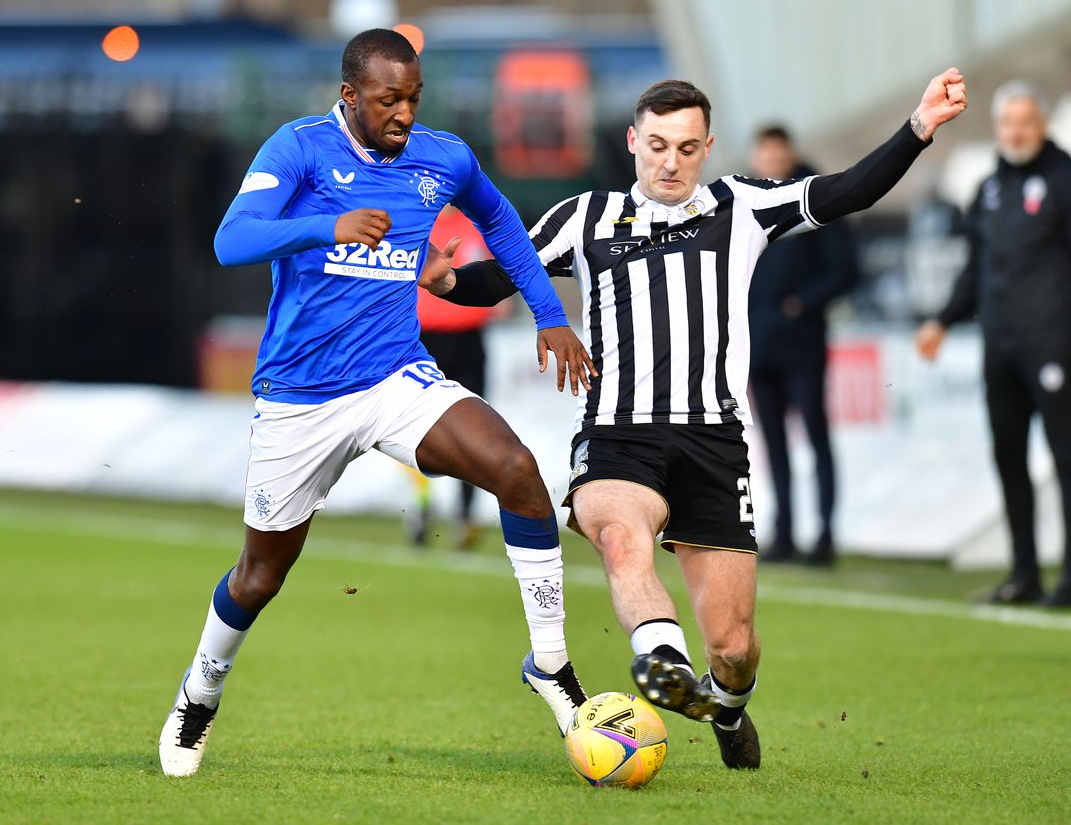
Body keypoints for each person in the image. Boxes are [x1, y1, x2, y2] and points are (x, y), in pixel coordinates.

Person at [422, 69, 968, 769]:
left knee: (735, 648)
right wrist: (446, 280)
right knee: (622, 538)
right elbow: (499, 276)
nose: (670, 161)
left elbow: (845, 191)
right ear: (632, 142)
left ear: (707, 147)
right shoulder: (582, 217)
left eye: (685, 147)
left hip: (714, 441)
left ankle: (725, 704)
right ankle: (662, 657)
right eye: (656, 145)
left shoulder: (740, 205)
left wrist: (917, 128)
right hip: (618, 433)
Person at [158, 29, 597, 778]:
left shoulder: (444, 157)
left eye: (413, 98)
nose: (403, 113)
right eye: (388, 99)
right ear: (349, 95)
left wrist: (549, 313)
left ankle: (551, 664)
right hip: (299, 397)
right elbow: (232, 240)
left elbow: (499, 222)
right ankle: (201, 690)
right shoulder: (297, 148)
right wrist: (326, 225)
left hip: (396, 376)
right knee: (259, 576)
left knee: (519, 470)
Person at [916, 80, 1071, 609]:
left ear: (1042, 124)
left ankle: (1069, 576)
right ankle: (1024, 573)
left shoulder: (1064, 178)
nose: (1017, 132)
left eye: (1026, 122)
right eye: (1008, 123)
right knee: (1009, 457)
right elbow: (975, 270)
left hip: (1054, 344)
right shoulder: (988, 188)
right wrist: (942, 319)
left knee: (1066, 457)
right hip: (999, 347)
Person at [746, 126, 859, 565]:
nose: (771, 160)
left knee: (815, 435)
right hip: (760, 345)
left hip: (803, 344)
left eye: (778, 152)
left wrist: (801, 305)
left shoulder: (819, 201)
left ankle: (826, 534)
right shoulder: (746, 204)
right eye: (764, 153)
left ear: (789, 153)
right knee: (772, 443)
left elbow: (846, 269)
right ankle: (785, 532)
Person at [409, 206, 499, 550]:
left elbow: (495, 282)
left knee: (474, 432)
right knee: (416, 429)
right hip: (424, 340)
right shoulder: (415, 219)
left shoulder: (476, 225)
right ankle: (421, 507)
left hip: (468, 339)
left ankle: (465, 515)